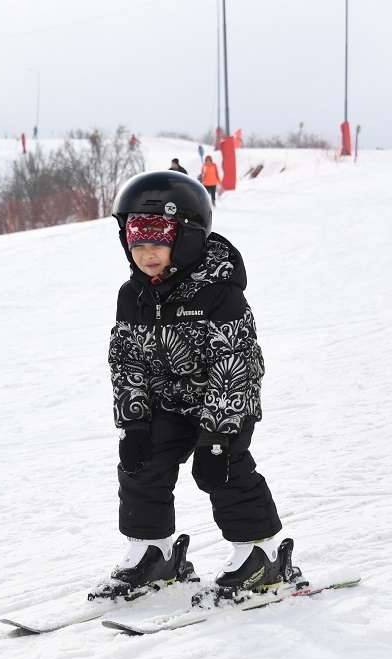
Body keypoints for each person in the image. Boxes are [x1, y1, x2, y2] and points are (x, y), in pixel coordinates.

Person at [100, 170, 292, 599]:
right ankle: (152, 553)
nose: (147, 255)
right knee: (141, 463)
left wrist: (219, 434)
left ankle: (259, 556)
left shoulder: (218, 294)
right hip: (167, 404)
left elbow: (235, 361)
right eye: (138, 245)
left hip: (222, 402)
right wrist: (134, 423)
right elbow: (126, 360)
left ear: (185, 239)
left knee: (222, 471)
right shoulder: (132, 296)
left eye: (158, 244)